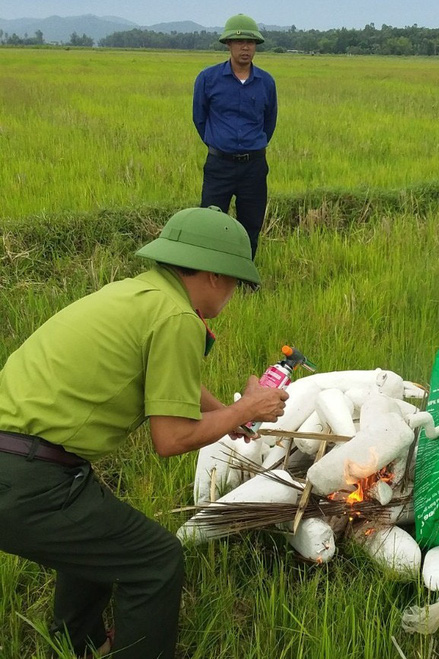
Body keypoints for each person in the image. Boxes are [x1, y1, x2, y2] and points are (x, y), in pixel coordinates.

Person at [0, 207, 289, 658]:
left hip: (18, 460)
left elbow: (171, 382)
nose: (233, 294)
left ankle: (77, 643)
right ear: (214, 276)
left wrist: (233, 414)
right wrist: (243, 409)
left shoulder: (139, 294)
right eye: (235, 282)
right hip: (29, 480)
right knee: (156, 561)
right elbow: (170, 440)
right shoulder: (177, 318)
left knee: (101, 534)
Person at [193, 14, 277, 260]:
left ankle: (245, 276)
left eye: (251, 43)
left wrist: (252, 147)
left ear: (256, 47)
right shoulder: (208, 79)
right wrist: (220, 144)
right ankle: (210, 276)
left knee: (251, 225)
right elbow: (200, 119)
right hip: (220, 165)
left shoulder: (266, 82)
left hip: (254, 167)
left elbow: (269, 122)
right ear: (228, 44)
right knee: (210, 223)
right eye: (239, 42)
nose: (246, 47)